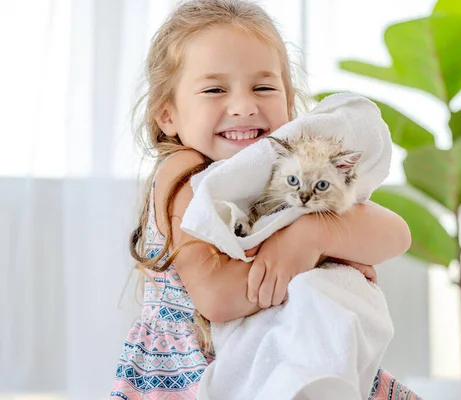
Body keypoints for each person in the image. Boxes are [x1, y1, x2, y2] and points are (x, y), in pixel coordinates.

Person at [110, 1, 418, 399]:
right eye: (215, 89)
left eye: (264, 87)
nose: (244, 106)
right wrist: (306, 258)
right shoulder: (183, 170)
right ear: (167, 114)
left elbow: (397, 234)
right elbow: (217, 298)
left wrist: (311, 237)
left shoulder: (284, 171)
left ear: (290, 106)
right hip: (200, 375)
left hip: (282, 360)